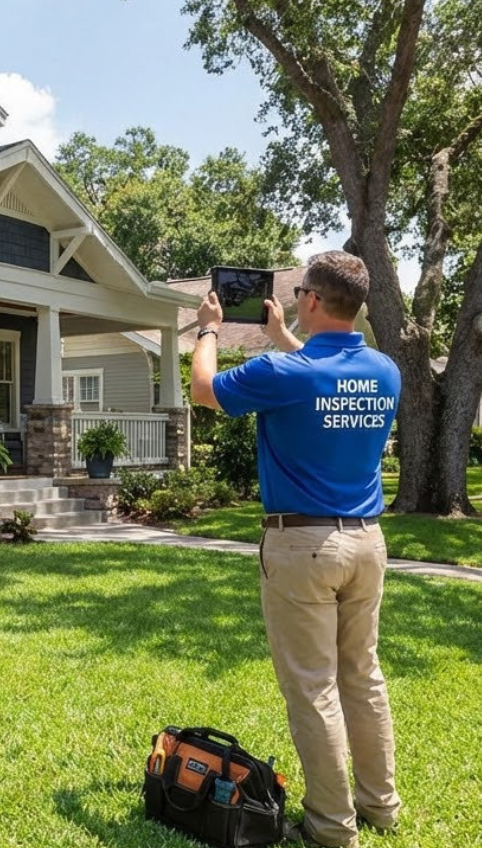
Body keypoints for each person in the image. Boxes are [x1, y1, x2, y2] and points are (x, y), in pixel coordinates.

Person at [189, 251, 401, 848]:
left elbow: (204, 390)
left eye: (300, 291)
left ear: (310, 299)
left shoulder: (282, 375)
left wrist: (209, 325)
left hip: (303, 544)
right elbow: (322, 379)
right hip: (366, 543)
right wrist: (285, 338)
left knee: (313, 687)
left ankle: (333, 827)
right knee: (363, 676)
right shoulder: (385, 370)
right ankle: (379, 806)